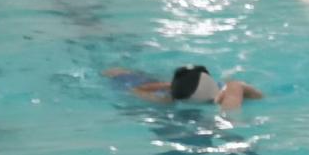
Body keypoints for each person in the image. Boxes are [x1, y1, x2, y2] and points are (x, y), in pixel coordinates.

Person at [103, 64, 262, 114]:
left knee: (114, 72)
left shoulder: (232, 88)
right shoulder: (230, 88)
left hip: (186, 95)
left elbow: (136, 90)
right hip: (191, 94)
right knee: (114, 72)